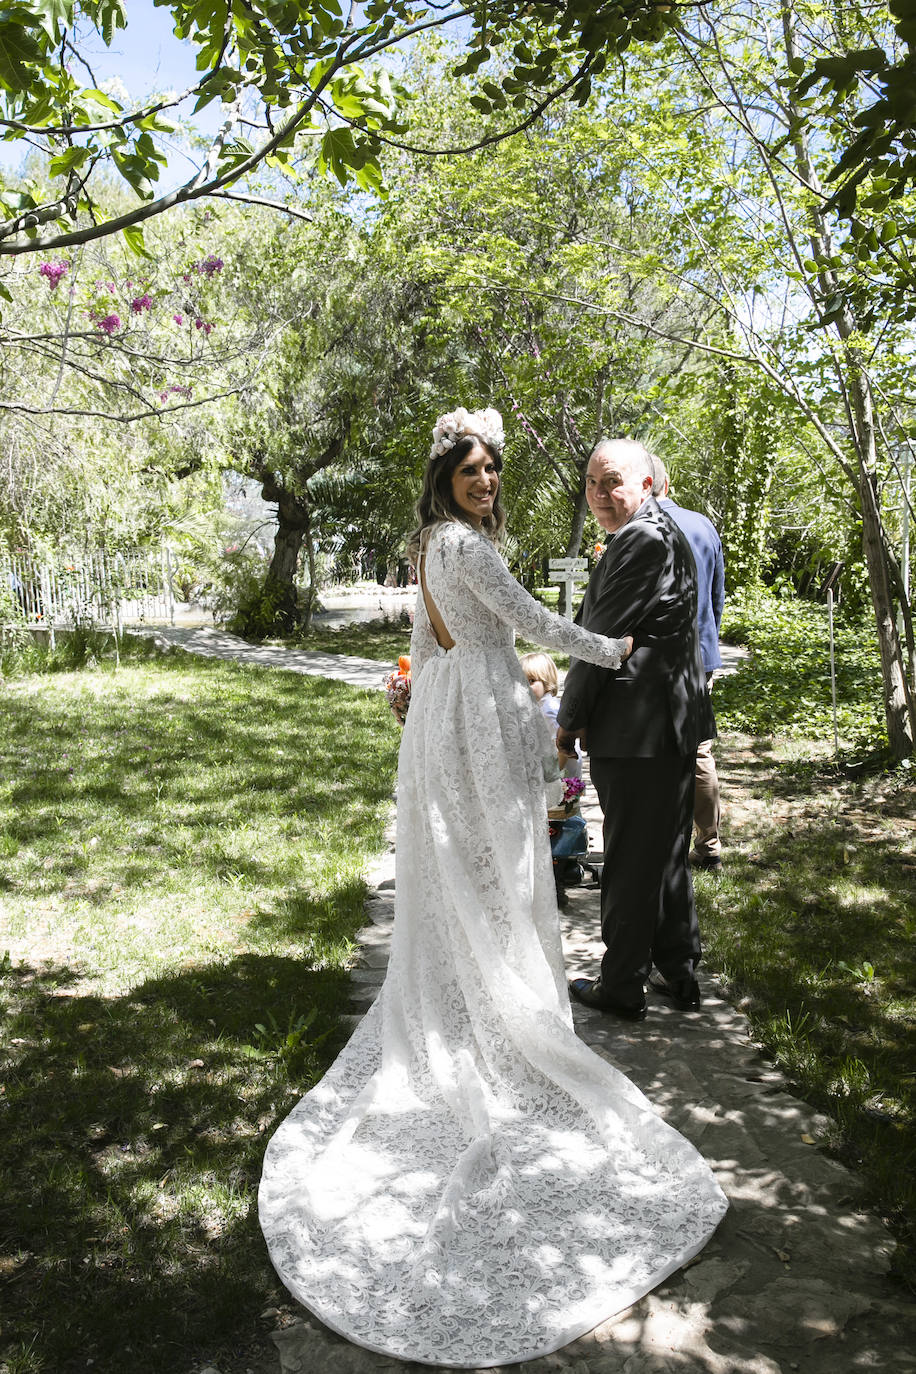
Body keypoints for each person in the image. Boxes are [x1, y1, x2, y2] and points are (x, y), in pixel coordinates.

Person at [259, 409, 727, 1369]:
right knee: (495, 872)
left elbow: (437, 647)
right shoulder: (463, 545)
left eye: (492, 470)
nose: (485, 481)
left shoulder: (428, 544)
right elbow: (534, 622)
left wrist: (412, 695)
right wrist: (617, 652)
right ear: (446, 478)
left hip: (447, 713)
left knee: (465, 871)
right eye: (470, 469)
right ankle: (497, 1014)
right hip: (471, 715)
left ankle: (474, 999)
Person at [556, 438, 714, 1021]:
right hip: (666, 726)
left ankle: (622, 985)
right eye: (593, 482)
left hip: (639, 731)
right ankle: (680, 969)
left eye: (613, 480)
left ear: (648, 485)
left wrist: (567, 723)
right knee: (665, 851)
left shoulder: (643, 539)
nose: (600, 493)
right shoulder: (660, 533)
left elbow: (598, 642)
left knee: (628, 858)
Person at [651, 456, 725, 871]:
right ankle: (708, 845)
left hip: (656, 657)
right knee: (698, 750)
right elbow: (717, 594)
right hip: (700, 654)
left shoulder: (639, 528)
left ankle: (669, 841)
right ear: (669, 483)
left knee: (658, 748)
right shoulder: (703, 525)